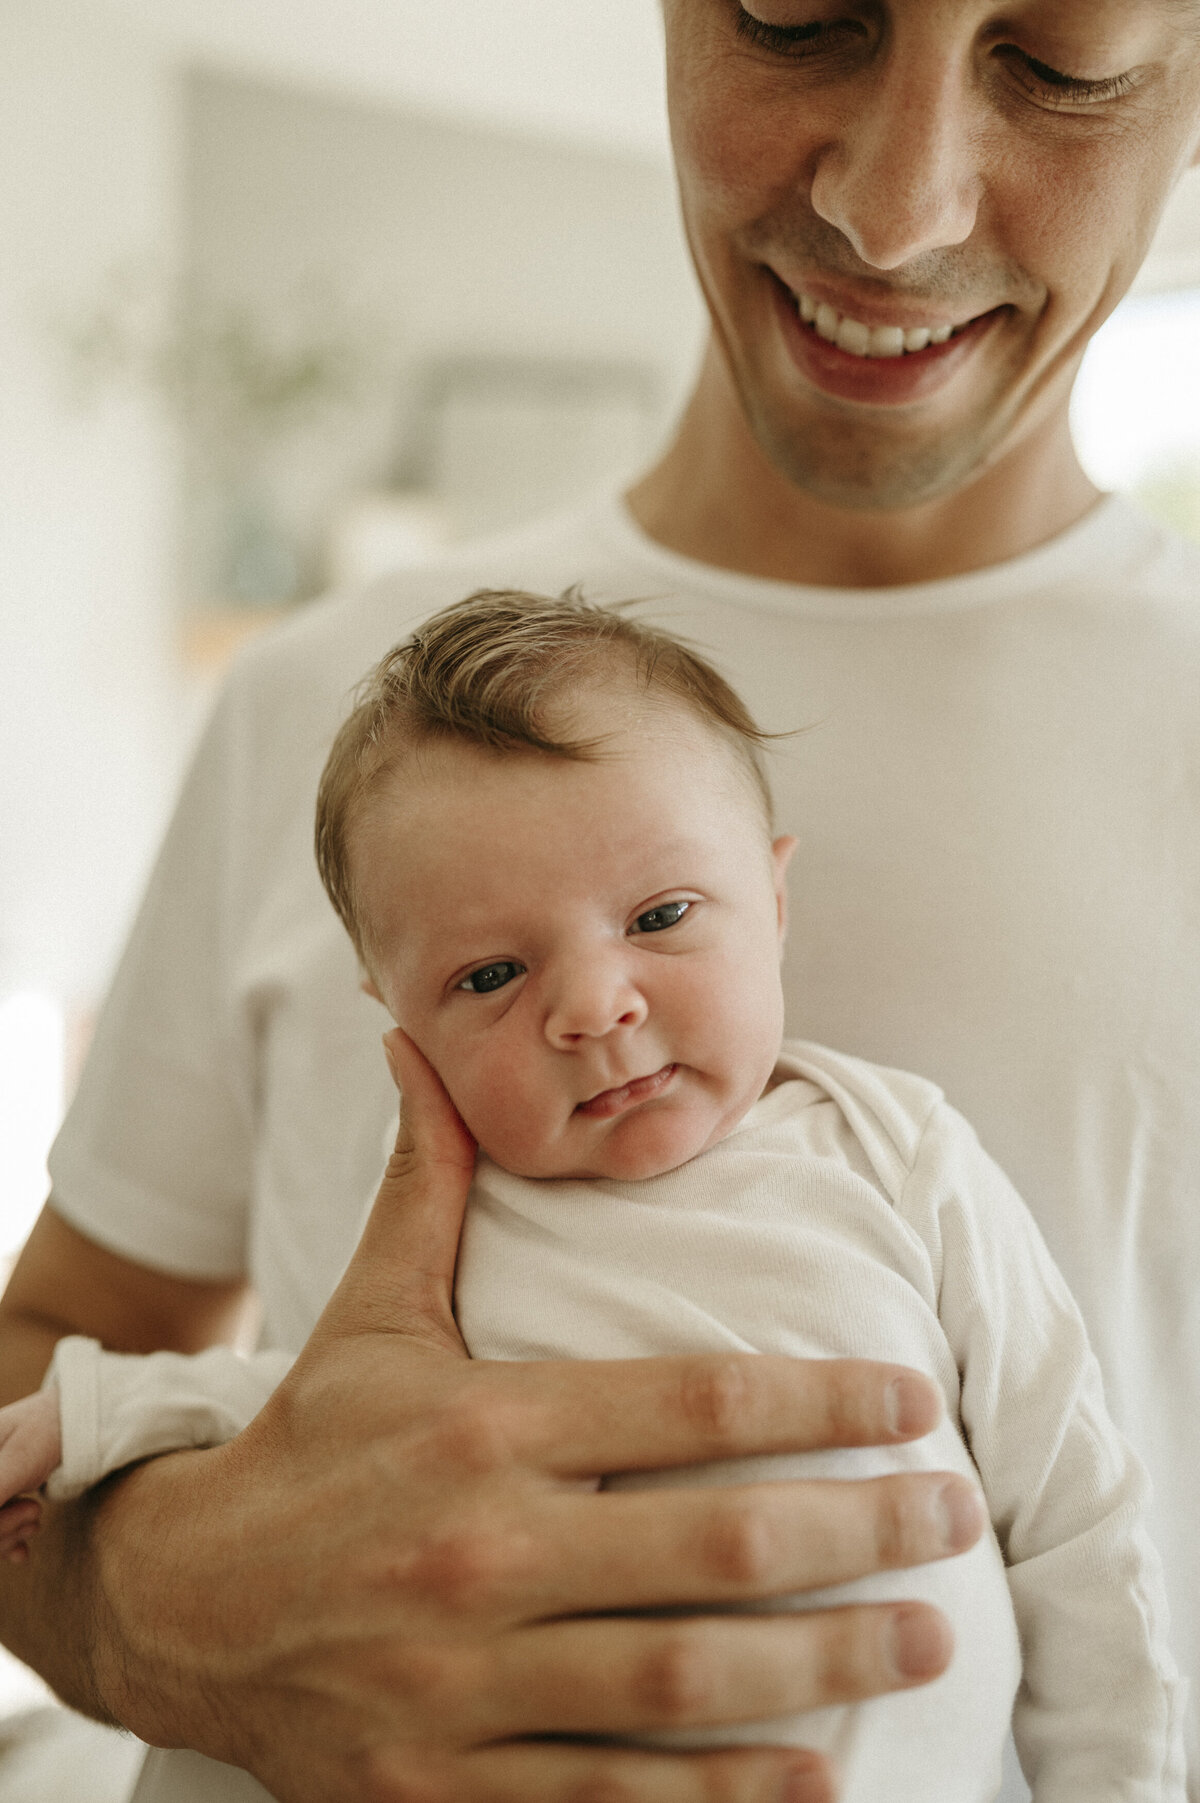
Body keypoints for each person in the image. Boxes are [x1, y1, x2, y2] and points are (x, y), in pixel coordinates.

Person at [2, 3, 1199, 1800]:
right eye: (801, 14)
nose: (896, 208)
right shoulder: (323, 710)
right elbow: (52, 1347)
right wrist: (146, 1604)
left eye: (1064, 65)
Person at [0, 591, 1183, 1801]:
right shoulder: (457, 1219)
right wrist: (101, 1411)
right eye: (491, 976)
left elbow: (1078, 1523)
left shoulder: (892, 1154)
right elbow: (309, 1430)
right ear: (397, 1016)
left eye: (661, 917)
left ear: (774, 903)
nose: (592, 1006)